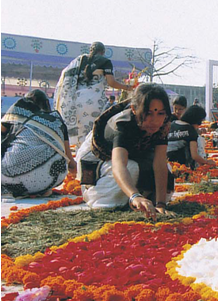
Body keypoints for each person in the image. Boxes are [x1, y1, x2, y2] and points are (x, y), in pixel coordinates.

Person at [75, 83, 175, 219]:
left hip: (134, 157)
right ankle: (101, 197)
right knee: (131, 168)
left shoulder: (164, 123)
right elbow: (119, 165)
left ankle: (135, 197)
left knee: (167, 171)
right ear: (134, 109)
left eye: (160, 113)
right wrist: (135, 196)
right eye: (148, 113)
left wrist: (161, 204)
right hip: (98, 160)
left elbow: (159, 163)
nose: (155, 120)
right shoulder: (123, 123)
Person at [54, 41, 134, 148]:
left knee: (81, 131)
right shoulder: (105, 61)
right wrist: (127, 87)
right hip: (94, 101)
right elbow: (111, 82)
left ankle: (79, 155)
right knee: (92, 132)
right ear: (103, 51)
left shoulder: (79, 60)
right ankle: (89, 155)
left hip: (77, 101)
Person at [2, 89, 77, 197]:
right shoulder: (56, 120)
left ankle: (12, 188)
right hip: (54, 177)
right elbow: (71, 163)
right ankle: (41, 189)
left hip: (13, 176)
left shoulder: (16, 115)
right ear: (47, 103)